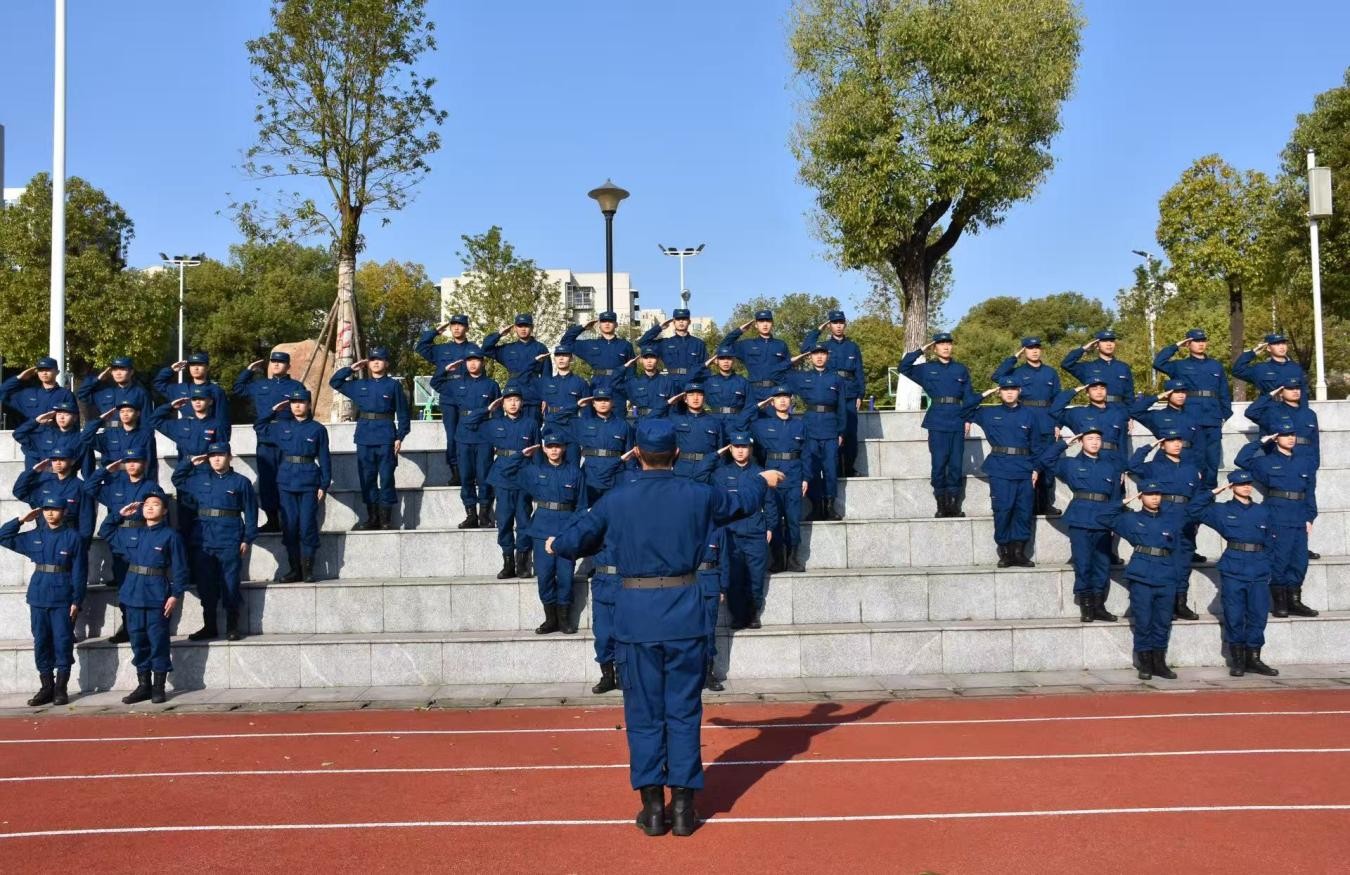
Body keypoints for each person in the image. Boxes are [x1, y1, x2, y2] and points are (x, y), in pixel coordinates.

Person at [546, 418, 783, 837]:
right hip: (685, 614)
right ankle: (684, 810)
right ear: (675, 453)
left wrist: (553, 543)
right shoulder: (698, 493)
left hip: (636, 616)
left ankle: (653, 809)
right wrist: (762, 480)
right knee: (684, 712)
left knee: (643, 714)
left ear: (636, 453)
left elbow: (570, 541)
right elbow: (739, 503)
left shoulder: (616, 499)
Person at [1186, 473, 1280, 677]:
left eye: (1248, 483)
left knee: (1258, 614)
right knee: (1234, 614)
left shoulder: (1262, 511)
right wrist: (1212, 492)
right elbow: (1193, 510)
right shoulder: (1222, 511)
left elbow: (1272, 541)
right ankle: (1238, 660)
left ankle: (1254, 658)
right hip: (1234, 567)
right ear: (1231, 486)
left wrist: (1268, 564)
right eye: (1240, 484)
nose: (1246, 487)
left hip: (1259, 567)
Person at [0, 496, 88, 706]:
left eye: (55, 509)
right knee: (41, 642)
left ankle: (60, 688)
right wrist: (21, 520)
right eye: (46, 509)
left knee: (62, 641)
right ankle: (46, 686)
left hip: (62, 596)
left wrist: (77, 600)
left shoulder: (73, 537)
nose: (50, 513)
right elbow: (3, 536)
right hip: (39, 595)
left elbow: (79, 572)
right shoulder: (35, 535)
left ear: (64, 512)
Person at [171, 443, 258, 642]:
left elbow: (251, 513)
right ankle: (209, 625)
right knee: (206, 584)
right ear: (207, 459)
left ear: (229, 457)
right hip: (204, 539)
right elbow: (177, 479)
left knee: (230, 583)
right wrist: (189, 462)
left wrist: (247, 538)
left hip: (230, 538)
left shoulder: (241, 482)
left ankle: (232, 625)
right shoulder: (198, 480)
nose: (216, 459)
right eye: (212, 456)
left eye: (220, 455)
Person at [110, 489, 188, 704]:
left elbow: (180, 569)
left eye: (155, 504)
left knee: (158, 641)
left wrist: (175, 595)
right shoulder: (134, 533)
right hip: (132, 593)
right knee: (137, 640)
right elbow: (106, 531)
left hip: (156, 595)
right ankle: (143, 685)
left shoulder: (171, 536)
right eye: (146, 504)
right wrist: (120, 514)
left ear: (164, 511)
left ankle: (158, 686)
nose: (150, 507)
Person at [1098, 482, 1182, 682]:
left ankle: (1159, 663)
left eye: (1158, 494)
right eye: (1150, 494)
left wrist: (1176, 576)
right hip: (1142, 575)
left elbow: (1177, 549)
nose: (1155, 498)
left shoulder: (1171, 519)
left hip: (1166, 575)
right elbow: (1101, 517)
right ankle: (1145, 663)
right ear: (1141, 496)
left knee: (1162, 622)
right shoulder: (1131, 519)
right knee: (1144, 622)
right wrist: (1123, 502)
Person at [1035, 428, 1120, 622]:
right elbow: (1044, 461)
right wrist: (1064, 444)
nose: (1095, 442)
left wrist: (1114, 520)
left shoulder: (1110, 466)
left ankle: (1099, 605)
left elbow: (1115, 496)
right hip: (1080, 518)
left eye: (1098, 438)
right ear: (1081, 441)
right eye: (1090, 438)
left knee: (1102, 564)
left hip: (1103, 519)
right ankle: (1087, 606)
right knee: (1083, 564)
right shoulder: (1070, 464)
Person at [1235, 429, 1319, 619]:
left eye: (1292, 434)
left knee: (1299, 561)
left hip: (1299, 515)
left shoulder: (1304, 462)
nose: (1290, 438)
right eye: (1284, 435)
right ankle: (1280, 603)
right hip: (1277, 515)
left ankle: (1294, 601)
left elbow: (1309, 491)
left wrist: (1310, 517)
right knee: (1279, 560)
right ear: (1276, 438)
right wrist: (1261, 442)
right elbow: (1241, 460)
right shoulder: (1266, 462)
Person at [330, 347, 411, 532]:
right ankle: (372, 517)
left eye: (380, 359)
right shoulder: (360, 385)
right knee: (367, 478)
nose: (375, 362)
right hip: (365, 436)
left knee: (387, 478)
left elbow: (403, 414)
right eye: (372, 359)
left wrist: (400, 436)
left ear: (386, 363)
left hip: (386, 436)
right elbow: (335, 382)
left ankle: (385, 519)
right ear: (368, 363)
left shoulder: (393, 386)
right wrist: (350, 369)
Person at [82, 449, 160, 643]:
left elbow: (159, 514)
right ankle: (127, 626)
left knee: (144, 584)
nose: (132, 464)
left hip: (144, 537)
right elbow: (89, 487)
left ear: (144, 463)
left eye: (136, 461)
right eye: (128, 461)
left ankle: (146, 627)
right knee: (124, 586)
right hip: (121, 538)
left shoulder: (151, 487)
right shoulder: (115, 486)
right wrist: (106, 470)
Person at [514, 431, 587, 635]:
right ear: (544, 449)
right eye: (550, 446)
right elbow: (510, 477)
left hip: (566, 529)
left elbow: (581, 507)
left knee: (565, 576)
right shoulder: (534, 471)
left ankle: (564, 619)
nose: (554, 450)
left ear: (563, 448)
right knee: (545, 576)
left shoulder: (575, 473)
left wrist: (567, 531)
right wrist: (522, 457)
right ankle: (550, 618)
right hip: (542, 529)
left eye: (558, 446)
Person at [962, 378, 1039, 568]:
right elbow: (964, 409)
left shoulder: (1030, 414)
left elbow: (1037, 444)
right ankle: (1005, 552)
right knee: (1003, 510)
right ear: (999, 392)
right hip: (1000, 467)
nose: (1010, 393)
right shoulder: (989, 413)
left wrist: (1037, 468)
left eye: (1013, 389)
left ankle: (1020, 552)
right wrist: (983, 394)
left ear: (1019, 391)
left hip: (1024, 467)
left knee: (1023, 511)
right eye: (1005, 389)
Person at [1126, 430, 1203, 621]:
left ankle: (1181, 603)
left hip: (1185, 519)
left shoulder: (1191, 469)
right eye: (1170, 441)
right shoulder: (1154, 467)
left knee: (1183, 563)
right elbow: (1132, 465)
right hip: (1163, 519)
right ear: (1162, 444)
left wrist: (1196, 521)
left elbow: (1198, 497)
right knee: (1165, 563)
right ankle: (1167, 605)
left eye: (1178, 440)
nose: (1176, 444)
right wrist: (1148, 446)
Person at [899, 332, 976, 518]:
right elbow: (904, 366)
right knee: (939, 463)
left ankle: (954, 504)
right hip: (937, 420)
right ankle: (941, 503)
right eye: (941, 344)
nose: (946, 347)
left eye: (949, 343)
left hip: (957, 418)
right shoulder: (926, 369)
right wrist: (921, 349)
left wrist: (968, 419)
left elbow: (969, 397)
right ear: (935, 348)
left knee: (956, 464)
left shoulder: (960, 369)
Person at [260, 389, 331, 584]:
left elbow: (324, 459)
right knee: (289, 527)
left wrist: (324, 485)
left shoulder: (317, 429)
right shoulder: (281, 427)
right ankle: (294, 569)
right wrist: (274, 410)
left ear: (308, 405)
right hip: (286, 482)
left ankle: (308, 569)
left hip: (309, 481)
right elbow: (260, 426)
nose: (297, 405)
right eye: (293, 402)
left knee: (307, 525)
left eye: (301, 402)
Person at [232, 351, 304, 533]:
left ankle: (289, 518)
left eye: (281, 362)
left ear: (288, 366)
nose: (276, 365)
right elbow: (239, 388)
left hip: (287, 438)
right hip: (265, 437)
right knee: (267, 481)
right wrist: (248, 371)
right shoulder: (260, 385)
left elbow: (304, 413)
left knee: (288, 479)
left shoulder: (296, 386)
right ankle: (272, 519)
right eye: (273, 362)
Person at [1152, 329, 1231, 488]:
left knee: (1212, 459)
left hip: (1213, 417)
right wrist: (1176, 346)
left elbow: (1224, 391)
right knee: (1192, 457)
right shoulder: (1180, 366)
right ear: (1188, 344)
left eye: (1203, 340)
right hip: (1191, 416)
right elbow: (1158, 362)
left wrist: (1225, 414)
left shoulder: (1215, 365)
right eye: (1196, 341)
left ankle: (1209, 496)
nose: (1200, 344)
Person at [992, 337, 1063, 516]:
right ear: (1024, 351)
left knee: (1046, 466)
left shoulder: (1050, 372)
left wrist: (1058, 423)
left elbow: (1058, 400)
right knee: (1027, 465)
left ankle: (1046, 504)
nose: (1035, 351)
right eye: (1030, 348)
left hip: (1046, 423)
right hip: (1025, 422)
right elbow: (996, 377)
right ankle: (1028, 504)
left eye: (1037, 347)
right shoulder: (1016, 373)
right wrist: (1013, 358)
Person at [717, 432, 780, 632]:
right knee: (734, 577)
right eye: (736, 446)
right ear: (730, 449)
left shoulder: (762, 474)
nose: (741, 450)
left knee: (755, 577)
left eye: (744, 446)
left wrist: (770, 527)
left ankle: (753, 614)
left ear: (750, 449)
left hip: (754, 532)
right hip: (731, 533)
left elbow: (770, 503)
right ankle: (737, 615)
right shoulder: (720, 474)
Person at [433, 345, 499, 530]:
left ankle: (485, 513)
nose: (472, 364)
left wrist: (499, 438)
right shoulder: (457, 384)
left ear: (482, 362)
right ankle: (471, 513)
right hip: (463, 434)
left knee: (484, 476)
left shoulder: (492, 385)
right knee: (466, 476)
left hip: (485, 434)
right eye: (469, 361)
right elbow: (436, 383)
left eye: (476, 360)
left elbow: (499, 414)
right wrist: (445, 369)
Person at [485, 383, 540, 580]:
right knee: (504, 521)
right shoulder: (495, 424)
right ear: (503, 403)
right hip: (502, 477)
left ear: (522, 403)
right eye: (509, 400)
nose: (513, 403)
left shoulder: (531, 424)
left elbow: (537, 453)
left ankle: (522, 560)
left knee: (524, 520)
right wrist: (488, 411)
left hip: (524, 477)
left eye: (516, 400)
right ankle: (508, 561)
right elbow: (473, 429)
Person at [751, 385, 808, 573]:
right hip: (772, 478)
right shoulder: (762, 425)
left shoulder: (800, 424)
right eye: (778, 397)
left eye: (786, 396)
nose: (783, 400)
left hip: (794, 477)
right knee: (773, 519)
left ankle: (792, 558)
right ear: (772, 402)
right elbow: (742, 424)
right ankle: (777, 559)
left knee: (793, 520)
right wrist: (759, 406)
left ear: (791, 400)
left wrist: (805, 478)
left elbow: (806, 454)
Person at [802, 310, 866, 478]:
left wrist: (860, 394)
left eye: (841, 323)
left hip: (850, 394)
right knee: (833, 434)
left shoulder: (853, 347)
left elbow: (859, 371)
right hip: (830, 394)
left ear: (845, 324)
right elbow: (805, 347)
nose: (838, 326)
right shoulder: (824, 347)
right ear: (829, 325)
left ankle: (849, 468)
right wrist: (818, 329)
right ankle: (835, 470)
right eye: (834, 323)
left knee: (850, 434)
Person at [790, 343, 847, 521]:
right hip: (810, 427)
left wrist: (841, 432)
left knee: (830, 469)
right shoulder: (803, 378)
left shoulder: (836, 379)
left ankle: (830, 506)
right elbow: (782, 370)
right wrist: (796, 358)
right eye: (815, 354)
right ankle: (815, 506)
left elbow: (842, 408)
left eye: (822, 353)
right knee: (811, 469)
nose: (819, 357)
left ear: (827, 356)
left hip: (830, 428)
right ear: (810, 357)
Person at [417, 314, 475, 486]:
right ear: (450, 328)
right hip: (449, 398)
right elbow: (421, 347)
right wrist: (434, 331)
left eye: (460, 325)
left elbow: (480, 374)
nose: (457, 328)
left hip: (469, 399)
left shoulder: (473, 349)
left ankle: (469, 471)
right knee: (452, 437)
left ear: (467, 328)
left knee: (470, 436)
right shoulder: (441, 349)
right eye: (454, 325)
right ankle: (455, 471)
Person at [12, 450, 95, 552]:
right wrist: (33, 471)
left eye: (62, 459)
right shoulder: (44, 485)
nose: (58, 463)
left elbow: (86, 519)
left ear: (72, 461)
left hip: (68, 540)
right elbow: (19, 492)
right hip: (45, 538)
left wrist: (83, 546)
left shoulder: (81, 487)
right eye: (54, 460)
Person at [565, 311, 636, 413]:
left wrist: (630, 394)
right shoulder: (590, 344)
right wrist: (583, 327)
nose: (607, 324)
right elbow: (566, 342)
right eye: (603, 321)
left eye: (610, 321)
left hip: (618, 388)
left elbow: (631, 373)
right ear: (599, 325)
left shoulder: (625, 345)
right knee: (596, 423)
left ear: (616, 324)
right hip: (597, 386)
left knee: (618, 421)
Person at [150, 387, 231, 475]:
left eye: (201, 398)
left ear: (210, 402)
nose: (197, 402)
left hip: (208, 473)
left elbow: (223, 452)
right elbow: (153, 421)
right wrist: (171, 406)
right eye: (194, 399)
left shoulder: (217, 425)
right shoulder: (182, 424)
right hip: (185, 472)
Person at [483, 314, 549, 421]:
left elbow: (547, 375)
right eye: (520, 326)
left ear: (532, 328)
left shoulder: (540, 348)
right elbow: (486, 349)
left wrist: (546, 398)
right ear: (515, 328)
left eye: (526, 326)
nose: (523, 329)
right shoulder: (508, 349)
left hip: (534, 396)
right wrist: (499, 334)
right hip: (513, 394)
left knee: (533, 431)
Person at [1128, 379, 1204, 472]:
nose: (1181, 395)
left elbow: (1200, 446)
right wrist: (1157, 397)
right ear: (1167, 394)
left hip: (1188, 459)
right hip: (1164, 460)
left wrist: (1198, 468)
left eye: (1183, 392)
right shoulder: (1157, 416)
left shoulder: (1193, 417)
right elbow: (1134, 411)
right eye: (1176, 392)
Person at [573, 387, 633, 504]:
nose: (603, 403)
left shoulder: (623, 426)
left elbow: (629, 455)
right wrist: (577, 406)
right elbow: (556, 418)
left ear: (612, 402)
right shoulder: (584, 424)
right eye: (599, 400)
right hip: (591, 475)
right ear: (593, 404)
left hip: (615, 475)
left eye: (606, 400)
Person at [720, 309, 792, 405]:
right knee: (753, 419)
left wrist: (787, 392)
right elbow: (724, 346)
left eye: (768, 321)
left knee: (774, 420)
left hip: (774, 393)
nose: (765, 324)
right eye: (761, 321)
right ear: (756, 325)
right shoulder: (747, 345)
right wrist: (740, 330)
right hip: (753, 393)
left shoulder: (781, 345)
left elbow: (788, 370)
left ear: (772, 324)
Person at [537, 345, 589, 461]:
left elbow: (587, 414)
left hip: (572, 428)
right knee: (550, 469)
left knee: (573, 466)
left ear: (571, 359)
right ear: (554, 359)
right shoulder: (546, 382)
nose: (561, 358)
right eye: (558, 356)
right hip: (552, 427)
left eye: (565, 356)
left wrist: (586, 440)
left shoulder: (580, 383)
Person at [666, 380, 724, 483]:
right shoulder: (675, 420)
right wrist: (669, 403)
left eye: (699, 395)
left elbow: (720, 452)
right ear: (685, 399)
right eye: (691, 395)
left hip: (706, 469)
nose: (695, 398)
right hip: (682, 469)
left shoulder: (715, 422)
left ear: (704, 398)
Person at [79, 400, 157, 476]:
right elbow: (85, 437)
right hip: (112, 482)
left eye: (129, 411)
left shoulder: (145, 436)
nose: (125, 414)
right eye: (122, 411)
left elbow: (151, 464)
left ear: (138, 413)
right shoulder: (109, 435)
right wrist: (100, 419)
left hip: (136, 482)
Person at [638, 308, 708, 390]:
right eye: (678, 319)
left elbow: (705, 369)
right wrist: (659, 327)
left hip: (693, 385)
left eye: (684, 319)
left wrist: (705, 388)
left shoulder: (699, 343)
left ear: (689, 322)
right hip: (671, 385)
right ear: (674, 322)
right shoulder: (665, 343)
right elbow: (642, 343)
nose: (681, 321)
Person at [1061, 330, 1134, 405]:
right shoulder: (1088, 367)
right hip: (1097, 410)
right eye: (1104, 341)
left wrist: (1132, 414)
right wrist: (1083, 349)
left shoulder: (1123, 367)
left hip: (1120, 410)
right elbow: (1066, 364)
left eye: (1111, 341)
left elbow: (1130, 395)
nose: (1109, 344)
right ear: (1097, 345)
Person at [0, 356, 78, 424]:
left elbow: (74, 420)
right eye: (41, 370)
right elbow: (2, 392)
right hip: (31, 438)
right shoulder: (28, 394)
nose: (44, 373)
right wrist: (19, 378)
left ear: (57, 372)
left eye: (48, 369)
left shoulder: (65, 394)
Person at [1232, 333, 1309, 401]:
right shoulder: (1261, 369)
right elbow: (1237, 370)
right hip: (1269, 413)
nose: (1282, 347)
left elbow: (1303, 395)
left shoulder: (1296, 369)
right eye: (1277, 344)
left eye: (1283, 343)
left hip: (1292, 413)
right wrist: (1252, 353)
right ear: (1268, 348)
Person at [13, 400, 85, 472]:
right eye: (59, 414)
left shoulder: (81, 439)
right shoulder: (44, 435)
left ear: (75, 418)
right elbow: (18, 434)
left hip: (66, 479)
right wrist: (36, 421)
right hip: (43, 479)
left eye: (66, 414)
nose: (62, 417)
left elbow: (87, 467)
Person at [77, 356, 153, 421]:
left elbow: (147, 421)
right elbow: (81, 394)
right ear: (111, 372)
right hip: (109, 434)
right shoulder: (104, 392)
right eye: (115, 370)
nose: (118, 373)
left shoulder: (140, 393)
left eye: (122, 369)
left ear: (131, 372)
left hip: (131, 433)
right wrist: (97, 379)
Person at [698, 526, 727, 692]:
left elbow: (724, 559)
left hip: (710, 584)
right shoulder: (684, 525)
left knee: (709, 631)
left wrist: (723, 587)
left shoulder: (717, 530)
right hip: (689, 585)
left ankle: (708, 673)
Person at [153, 352, 228, 412]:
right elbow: (158, 384)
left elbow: (222, 420)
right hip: (186, 429)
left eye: (199, 364)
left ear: (207, 367)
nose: (196, 368)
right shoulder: (181, 389)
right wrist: (171, 370)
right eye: (192, 365)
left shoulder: (216, 391)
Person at [700, 345, 750, 431]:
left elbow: (750, 405)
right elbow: (689, 378)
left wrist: (743, 422)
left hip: (736, 423)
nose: (726, 361)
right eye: (722, 358)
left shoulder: (743, 382)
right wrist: (706, 364)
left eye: (729, 358)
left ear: (733, 361)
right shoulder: (708, 382)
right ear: (716, 361)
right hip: (714, 422)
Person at [622, 346, 676, 419]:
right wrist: (624, 367)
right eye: (646, 358)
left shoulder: (667, 382)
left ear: (658, 359)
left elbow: (673, 407)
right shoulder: (634, 383)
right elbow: (633, 404)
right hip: (642, 422)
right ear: (641, 360)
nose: (649, 361)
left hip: (661, 422)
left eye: (652, 357)